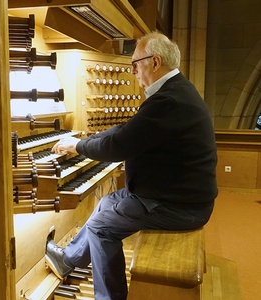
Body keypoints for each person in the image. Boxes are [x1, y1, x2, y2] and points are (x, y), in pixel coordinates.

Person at [45, 31, 218, 300]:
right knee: (106, 203)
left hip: (179, 206)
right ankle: (68, 259)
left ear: (155, 62)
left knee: (102, 227)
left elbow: (119, 147)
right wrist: (90, 137)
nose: (133, 71)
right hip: (171, 194)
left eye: (136, 64)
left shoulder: (168, 101)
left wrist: (76, 146)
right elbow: (128, 129)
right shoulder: (175, 92)